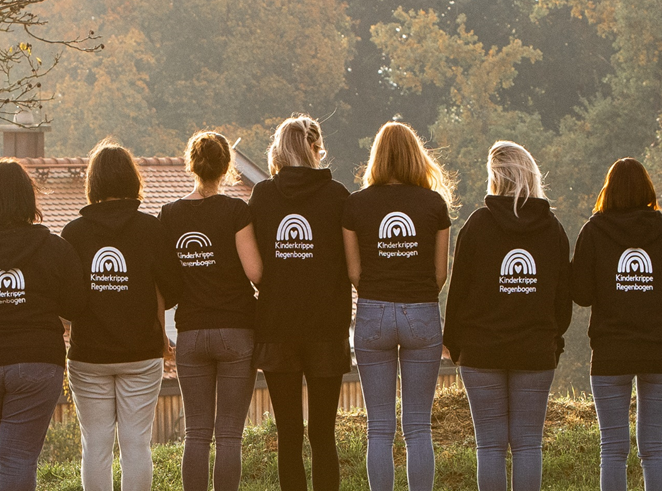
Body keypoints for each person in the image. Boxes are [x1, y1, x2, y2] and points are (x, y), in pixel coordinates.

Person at [0, 160, 87, 491]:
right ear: (29, 199)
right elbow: (77, 305)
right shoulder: (55, 247)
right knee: (16, 456)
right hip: (38, 361)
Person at [442, 141, 571, 491]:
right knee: (528, 445)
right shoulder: (552, 228)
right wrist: (553, 341)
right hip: (535, 350)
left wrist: (453, 344)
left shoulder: (478, 225)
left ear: (494, 177)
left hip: (481, 351)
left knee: (490, 446)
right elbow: (563, 299)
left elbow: (459, 293)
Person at [60, 143, 185, 491]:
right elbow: (174, 288)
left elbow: (64, 302)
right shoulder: (152, 229)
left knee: (95, 446)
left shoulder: (73, 234)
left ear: (92, 182)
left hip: (88, 356)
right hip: (142, 354)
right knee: (136, 445)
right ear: (133, 179)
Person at [343, 121, 452, 491]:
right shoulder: (434, 204)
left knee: (379, 427)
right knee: (418, 425)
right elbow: (440, 274)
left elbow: (354, 272)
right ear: (414, 156)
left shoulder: (355, 204)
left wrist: (378, 294)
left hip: (372, 313)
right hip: (421, 311)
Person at [249, 114, 353, 491]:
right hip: (327, 326)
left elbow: (255, 263)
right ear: (315, 149)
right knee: (324, 434)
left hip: (277, 326)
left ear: (279, 149)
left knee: (289, 435)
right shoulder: (338, 195)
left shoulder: (262, 195)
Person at [571, 158, 662, 491]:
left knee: (613, 449)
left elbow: (581, 294)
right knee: (654, 448)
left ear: (609, 190)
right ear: (648, 189)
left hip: (610, 353)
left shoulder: (594, 230)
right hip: (659, 352)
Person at [159, 131, 263, 491]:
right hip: (236, 330)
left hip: (189, 332)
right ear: (226, 167)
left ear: (191, 164)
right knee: (230, 434)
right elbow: (255, 273)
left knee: (197, 433)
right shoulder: (236, 211)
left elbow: (164, 282)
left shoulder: (169, 214)